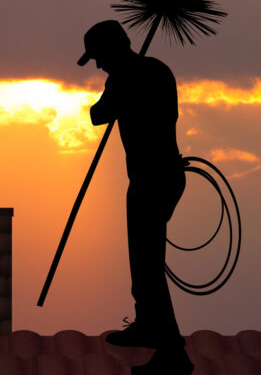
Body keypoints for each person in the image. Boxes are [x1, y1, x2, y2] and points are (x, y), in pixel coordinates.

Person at [78, 20, 193, 375]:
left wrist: (118, 90)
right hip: (167, 176)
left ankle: (166, 345)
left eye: (98, 57)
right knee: (147, 263)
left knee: (146, 264)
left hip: (149, 179)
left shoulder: (125, 78)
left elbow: (97, 115)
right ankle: (159, 337)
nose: (97, 65)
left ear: (112, 50)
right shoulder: (157, 70)